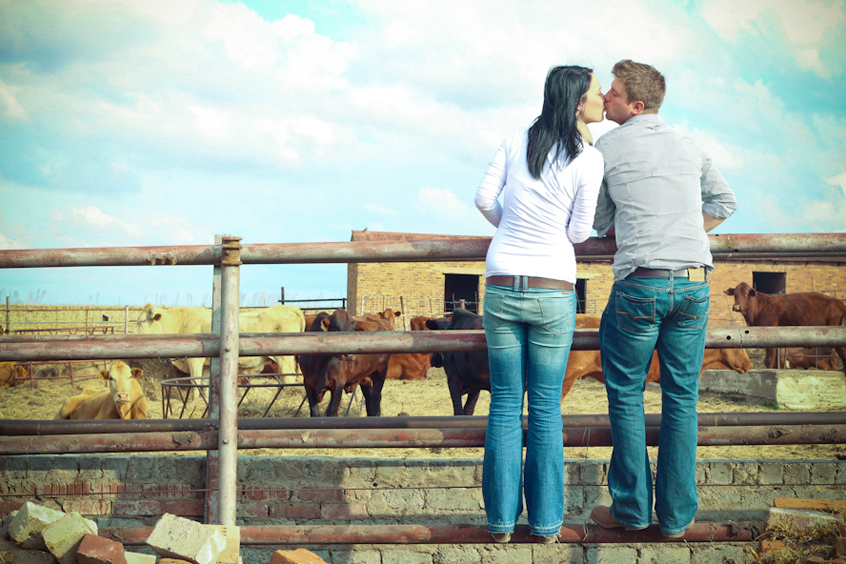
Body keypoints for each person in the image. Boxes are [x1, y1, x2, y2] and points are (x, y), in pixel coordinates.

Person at [589, 60, 737, 538]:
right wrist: (686, 228)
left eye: (612, 92)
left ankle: (632, 512)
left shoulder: (606, 147)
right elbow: (725, 202)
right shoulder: (689, 144)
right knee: (681, 397)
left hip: (642, 282)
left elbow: (599, 221)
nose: (605, 97)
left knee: (626, 393)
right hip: (693, 282)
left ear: (635, 105)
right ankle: (675, 517)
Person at [474, 65, 605, 543]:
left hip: (502, 282)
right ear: (577, 103)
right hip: (552, 288)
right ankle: (547, 524)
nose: (602, 99)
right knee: (546, 407)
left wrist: (510, 229)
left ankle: (500, 523)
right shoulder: (589, 158)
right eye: (596, 93)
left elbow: (483, 198)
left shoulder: (516, 139)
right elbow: (579, 232)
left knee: (506, 403)